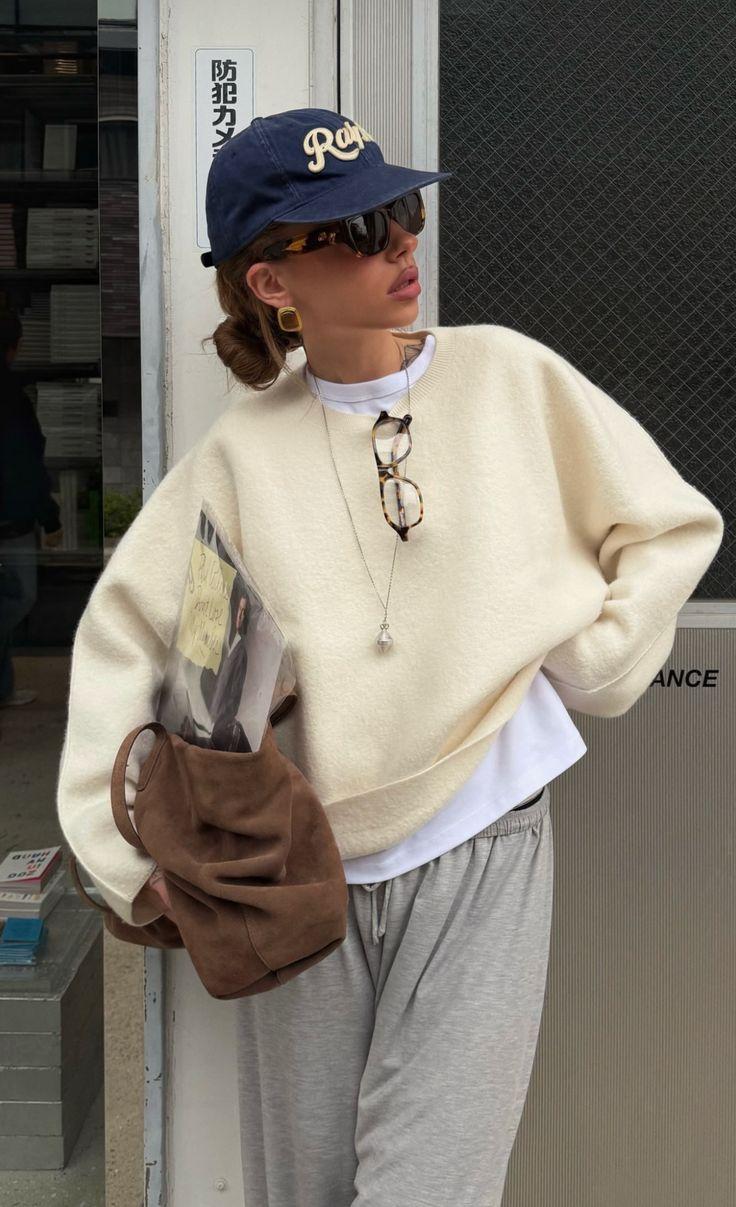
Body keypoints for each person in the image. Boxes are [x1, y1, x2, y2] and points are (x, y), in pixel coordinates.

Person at [55, 108, 724, 1206]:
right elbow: (131, 638)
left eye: (402, 209)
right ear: (273, 281)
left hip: (483, 836)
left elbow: (668, 524)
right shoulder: (239, 457)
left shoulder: (508, 378)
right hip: (297, 874)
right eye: (361, 228)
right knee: (304, 1187)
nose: (402, 242)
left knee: (431, 1186)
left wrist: (593, 658)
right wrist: (129, 860)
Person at [0, 308, 64, 707]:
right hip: (11, 519)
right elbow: (25, 461)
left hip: (12, 515)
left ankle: (3, 690)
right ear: (16, 347)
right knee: (19, 597)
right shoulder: (12, 398)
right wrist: (49, 516)